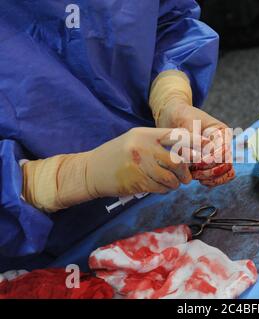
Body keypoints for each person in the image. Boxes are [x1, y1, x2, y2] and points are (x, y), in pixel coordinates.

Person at [0, 0, 233, 270]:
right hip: (45, 255)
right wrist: (66, 178)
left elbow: (168, 22)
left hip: (161, 200)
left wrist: (170, 96)